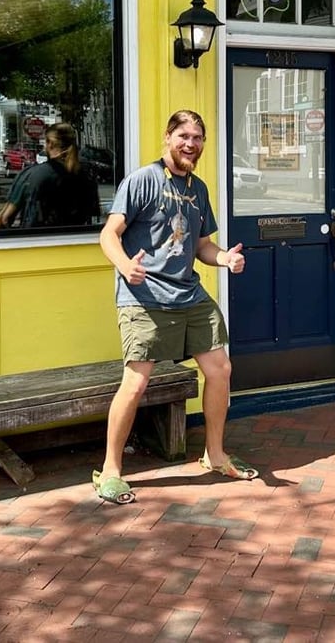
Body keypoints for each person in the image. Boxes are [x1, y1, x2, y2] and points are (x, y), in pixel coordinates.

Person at [94, 109, 257, 504]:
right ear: (168, 137)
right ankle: (110, 470)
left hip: (189, 294)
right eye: (184, 136)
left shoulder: (198, 189)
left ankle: (214, 454)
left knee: (220, 369)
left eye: (197, 138)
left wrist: (225, 259)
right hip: (144, 296)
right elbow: (109, 234)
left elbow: (201, 246)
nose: (190, 144)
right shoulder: (142, 180)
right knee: (136, 382)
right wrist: (125, 265)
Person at [0, 123, 99, 230]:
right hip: (78, 238)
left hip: (37, 239)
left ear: (50, 144)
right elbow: (93, 216)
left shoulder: (31, 175)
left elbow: (5, 219)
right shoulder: (87, 174)